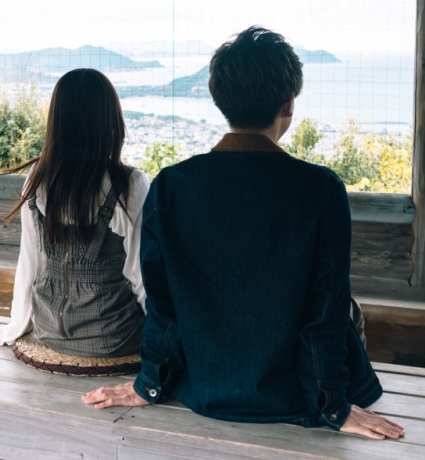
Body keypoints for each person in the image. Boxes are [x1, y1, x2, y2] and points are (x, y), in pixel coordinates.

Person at [83, 27, 405, 441]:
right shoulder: (319, 190)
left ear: (220, 100)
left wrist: (149, 384)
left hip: (200, 388)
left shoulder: (172, 186)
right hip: (290, 396)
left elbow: (163, 305)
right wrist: (333, 406)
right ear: (289, 103)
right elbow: (325, 312)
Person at [0, 68, 149, 359]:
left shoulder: (38, 177)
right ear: (110, 119)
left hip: (50, 331)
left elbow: (30, 264)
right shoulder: (129, 184)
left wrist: (14, 328)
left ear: (57, 122)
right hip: (113, 338)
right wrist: (167, 342)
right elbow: (140, 274)